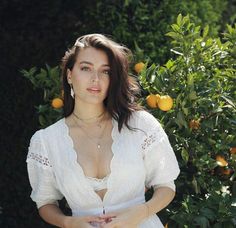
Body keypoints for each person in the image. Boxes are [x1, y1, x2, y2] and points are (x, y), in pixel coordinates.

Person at [26, 34, 180, 228]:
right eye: (85, 68)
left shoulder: (141, 125)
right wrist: (69, 223)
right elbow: (46, 202)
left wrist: (142, 212)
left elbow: (166, 186)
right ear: (69, 75)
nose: (95, 79)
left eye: (105, 71)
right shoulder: (47, 141)